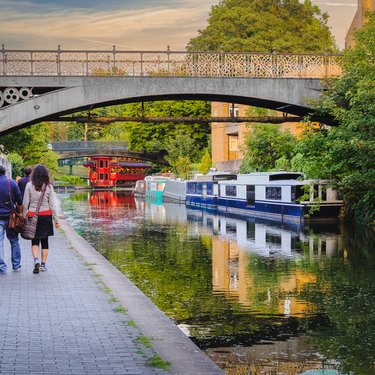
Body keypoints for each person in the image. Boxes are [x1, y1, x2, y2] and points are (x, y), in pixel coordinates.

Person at [23, 164, 59, 274]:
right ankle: (43, 265)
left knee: (34, 240)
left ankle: (36, 260)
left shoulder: (29, 185)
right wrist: (56, 220)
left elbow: (25, 203)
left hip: (32, 215)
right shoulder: (49, 187)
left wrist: (25, 216)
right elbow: (52, 205)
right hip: (46, 216)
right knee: (45, 241)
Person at [0, 165, 23, 273]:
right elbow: (19, 199)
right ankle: (16, 265)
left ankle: (1, 267)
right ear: (5, 172)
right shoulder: (11, 183)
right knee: (14, 241)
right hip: (11, 217)